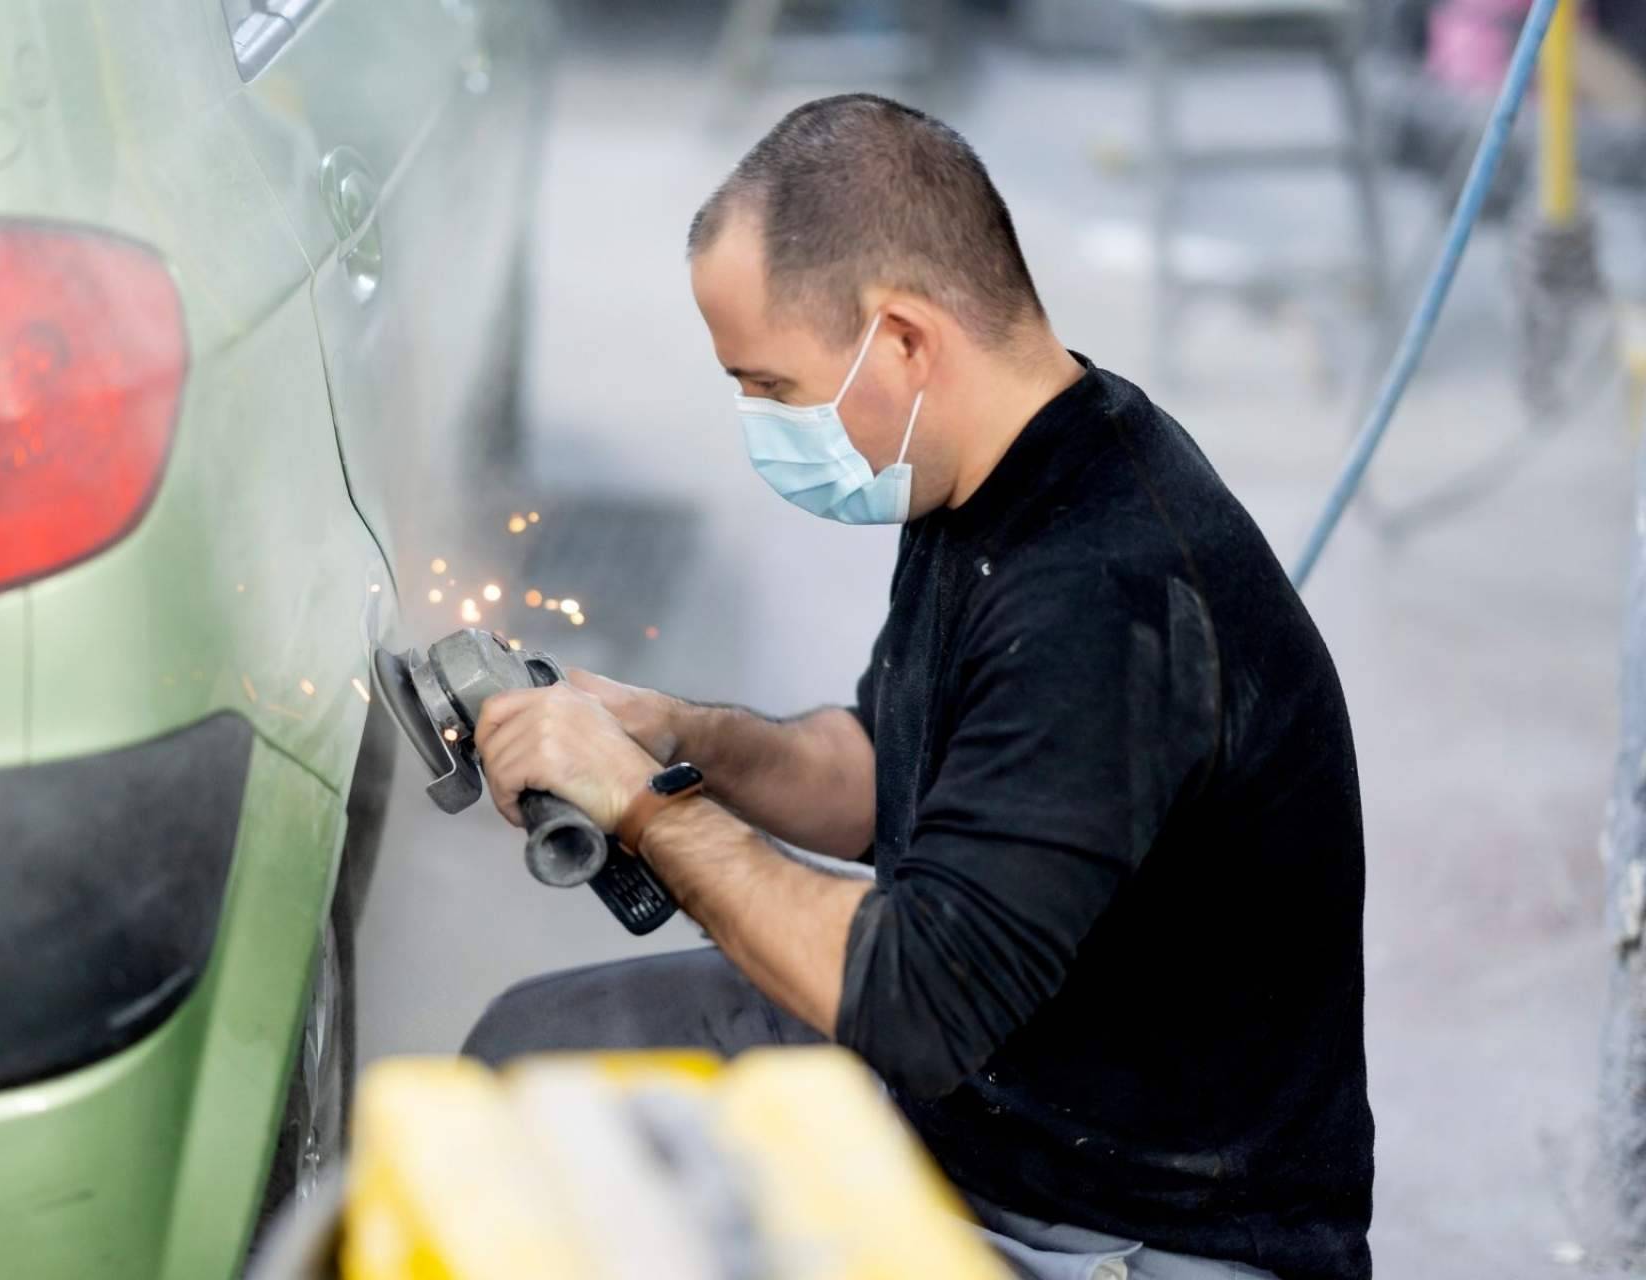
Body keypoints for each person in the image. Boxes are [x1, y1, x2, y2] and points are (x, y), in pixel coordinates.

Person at [461, 94, 1373, 1280]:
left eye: (773, 385)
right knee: (520, 1062)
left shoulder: (1105, 594)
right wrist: (682, 733)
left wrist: (643, 802)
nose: (758, 422)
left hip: (1129, 1230)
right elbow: (888, 768)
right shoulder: (981, 474)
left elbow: (913, 996)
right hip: (983, 1105)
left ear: (901, 340)